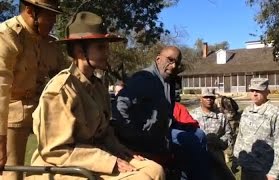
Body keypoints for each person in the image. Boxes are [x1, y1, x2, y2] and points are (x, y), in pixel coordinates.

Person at [27, 11, 164, 180]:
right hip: (60, 167)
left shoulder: (98, 87)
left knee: (155, 170)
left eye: (106, 46)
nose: (107, 52)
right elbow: (55, 150)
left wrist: (120, 151)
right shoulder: (61, 90)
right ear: (79, 51)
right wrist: (109, 161)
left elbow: (104, 132)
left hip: (92, 159)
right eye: (100, 47)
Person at [112, 46, 215, 179]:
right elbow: (120, 106)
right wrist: (131, 134)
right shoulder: (144, 79)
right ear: (158, 59)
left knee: (199, 134)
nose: (173, 66)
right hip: (147, 136)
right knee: (191, 142)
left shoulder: (168, 80)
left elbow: (165, 113)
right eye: (170, 60)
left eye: (177, 63)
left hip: (164, 129)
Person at [0, 0, 64, 179]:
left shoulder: (50, 43)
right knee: (11, 172)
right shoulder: (7, 36)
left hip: (43, 112)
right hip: (11, 115)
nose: (53, 22)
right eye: (49, 15)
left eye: (55, 16)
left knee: (55, 168)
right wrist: (0, 140)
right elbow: (1, 89)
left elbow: (62, 78)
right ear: (30, 11)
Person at [232, 78, 279, 180]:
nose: (254, 94)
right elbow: (240, 137)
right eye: (252, 90)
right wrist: (235, 160)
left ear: (267, 92)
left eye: (258, 91)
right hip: (247, 169)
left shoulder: (275, 113)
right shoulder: (247, 111)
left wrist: (274, 172)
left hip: (266, 171)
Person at [190, 87, 232, 164]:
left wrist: (219, 142)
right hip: (197, 156)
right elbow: (187, 134)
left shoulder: (221, 116)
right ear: (200, 99)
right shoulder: (192, 115)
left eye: (211, 97)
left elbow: (228, 134)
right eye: (206, 97)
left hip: (217, 156)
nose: (209, 99)